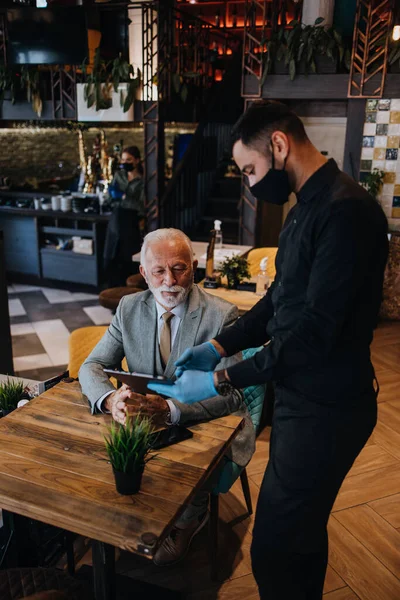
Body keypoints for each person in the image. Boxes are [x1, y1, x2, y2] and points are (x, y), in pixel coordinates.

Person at [149, 101, 389, 598]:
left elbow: (312, 337)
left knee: (276, 548)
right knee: (297, 538)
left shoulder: (347, 212)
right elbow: (277, 303)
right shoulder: (306, 209)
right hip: (300, 399)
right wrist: (216, 346)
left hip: (330, 408)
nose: (251, 181)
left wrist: (218, 381)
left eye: (250, 169)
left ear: (278, 145)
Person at [79, 228, 255, 566]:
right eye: (158, 271)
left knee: (162, 554)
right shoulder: (130, 307)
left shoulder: (222, 314)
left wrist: (172, 409)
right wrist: (109, 400)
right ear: (144, 274)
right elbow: (93, 364)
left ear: (194, 268)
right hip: (143, 421)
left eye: (179, 268)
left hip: (206, 422)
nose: (169, 280)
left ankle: (191, 517)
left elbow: (231, 393)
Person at [104, 146, 145, 287]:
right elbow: (109, 200)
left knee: (128, 260)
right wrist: (112, 195)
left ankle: (130, 297)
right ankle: (113, 295)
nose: (124, 162)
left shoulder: (142, 181)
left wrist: (123, 196)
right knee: (112, 258)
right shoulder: (119, 175)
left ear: (137, 161)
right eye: (123, 159)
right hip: (115, 221)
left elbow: (140, 207)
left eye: (128, 159)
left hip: (130, 223)